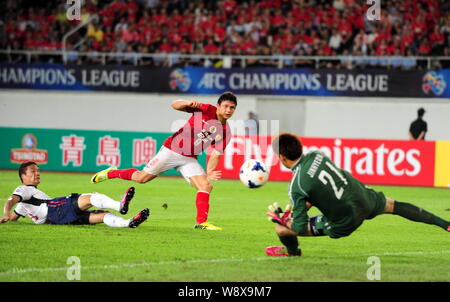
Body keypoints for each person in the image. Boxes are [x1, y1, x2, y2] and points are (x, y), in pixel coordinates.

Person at [265, 133, 449, 257]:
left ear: (281, 157)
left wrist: (281, 219)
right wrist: (306, 203)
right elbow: (320, 187)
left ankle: (293, 252)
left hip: (345, 220)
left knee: (281, 230)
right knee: (395, 205)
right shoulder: (317, 155)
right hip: (364, 198)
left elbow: (297, 226)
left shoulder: (296, 185)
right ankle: (445, 224)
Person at [90, 92, 238, 231]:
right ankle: (111, 173)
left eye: (232, 107)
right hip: (172, 150)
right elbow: (175, 105)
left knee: (205, 185)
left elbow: (216, 154)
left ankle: (201, 223)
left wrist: (210, 171)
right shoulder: (206, 109)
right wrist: (187, 102)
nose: (228, 110)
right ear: (218, 106)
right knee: (141, 178)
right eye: (225, 106)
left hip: (189, 159)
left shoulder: (226, 132)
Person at [0, 161, 150, 228]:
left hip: (56, 220)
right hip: (53, 209)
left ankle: (128, 223)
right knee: (90, 197)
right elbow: (10, 201)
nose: (37, 173)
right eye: (33, 171)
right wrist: (6, 211)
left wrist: (6, 218)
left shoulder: (26, 202)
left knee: (101, 215)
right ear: (23, 176)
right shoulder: (24, 189)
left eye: (38, 170)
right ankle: (120, 206)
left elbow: (13, 217)